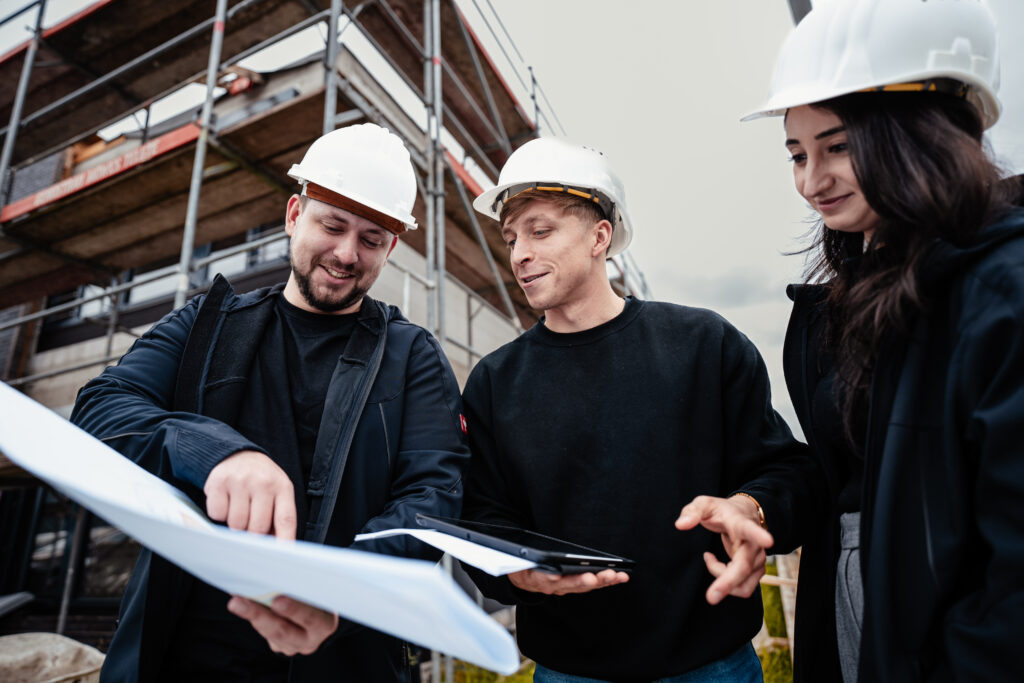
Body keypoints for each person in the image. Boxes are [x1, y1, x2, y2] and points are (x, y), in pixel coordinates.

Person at [677, 0, 1024, 680]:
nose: (812, 180)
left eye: (837, 146)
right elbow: (849, 481)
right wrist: (756, 508)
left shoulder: (1000, 291)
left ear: (926, 131)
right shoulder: (851, 300)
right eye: (796, 154)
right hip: (861, 624)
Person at [70, 123, 470, 682]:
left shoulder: (413, 357)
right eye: (331, 225)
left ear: (392, 247)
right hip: (182, 657)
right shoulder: (205, 326)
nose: (347, 254)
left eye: (372, 239)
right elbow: (100, 407)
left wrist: (339, 592)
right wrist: (213, 452)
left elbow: (433, 498)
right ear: (292, 215)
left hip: (343, 660)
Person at [460, 137, 810, 682]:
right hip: (567, 671)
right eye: (510, 238)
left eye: (540, 230)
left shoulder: (703, 345)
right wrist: (515, 575)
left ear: (600, 236)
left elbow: (788, 470)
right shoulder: (493, 383)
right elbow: (481, 518)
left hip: (710, 668)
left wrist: (750, 509)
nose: (518, 253)